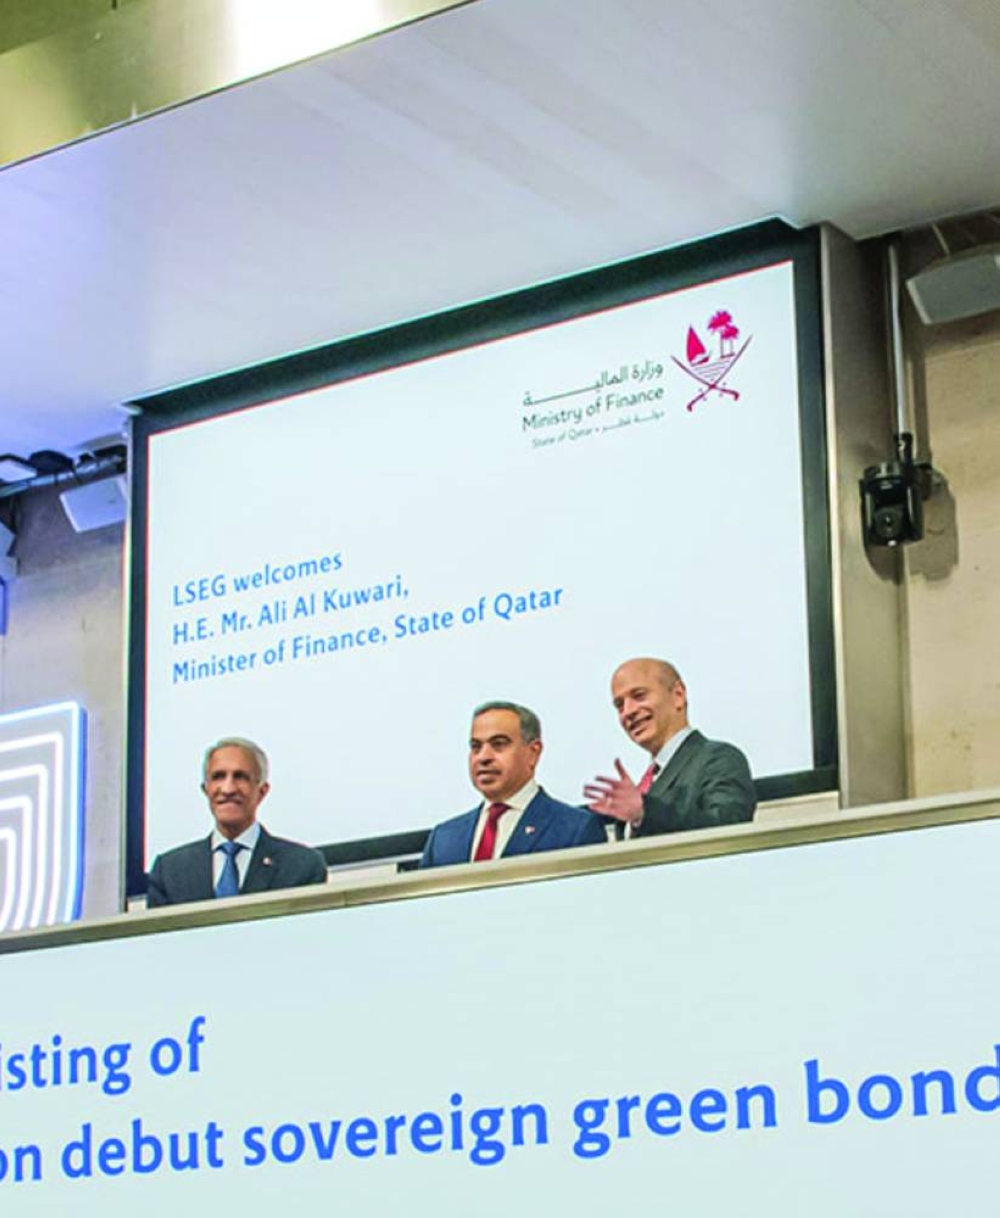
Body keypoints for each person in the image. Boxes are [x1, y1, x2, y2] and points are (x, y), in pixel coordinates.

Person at [419, 701, 608, 868]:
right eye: (476, 747)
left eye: (499, 744)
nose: (483, 757)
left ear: (533, 753)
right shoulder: (443, 839)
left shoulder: (575, 830)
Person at [146, 737, 327, 907]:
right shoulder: (170, 871)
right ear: (205, 789)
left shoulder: (302, 866)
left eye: (240, 777)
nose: (228, 789)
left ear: (262, 791)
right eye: (218, 776)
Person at [584, 658, 755, 836]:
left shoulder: (718, 759)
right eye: (619, 705)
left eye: (639, 695)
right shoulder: (646, 784)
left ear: (678, 695)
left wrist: (644, 812)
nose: (628, 711)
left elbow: (728, 830)